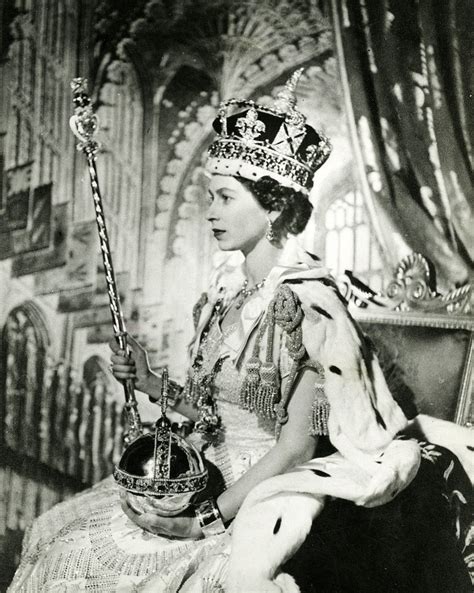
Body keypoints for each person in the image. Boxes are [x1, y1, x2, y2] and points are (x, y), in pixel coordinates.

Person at [9, 70, 472, 593]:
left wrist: (203, 520)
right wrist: (149, 381)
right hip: (204, 466)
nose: (210, 213)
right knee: (56, 535)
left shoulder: (308, 306)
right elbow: (212, 414)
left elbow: (296, 448)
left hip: (264, 490)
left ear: (273, 206)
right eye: (209, 198)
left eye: (225, 198)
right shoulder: (222, 298)